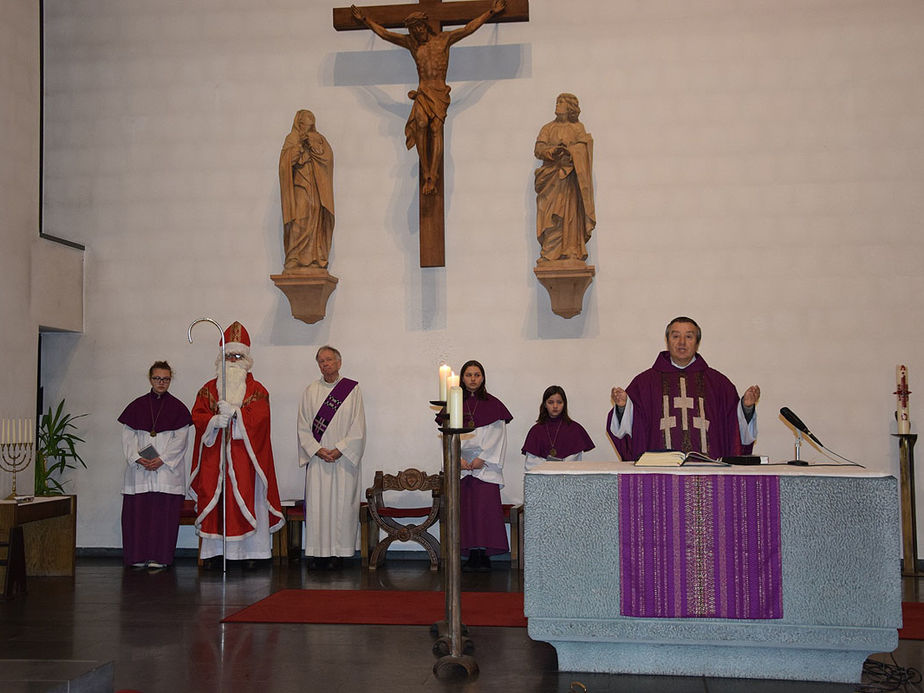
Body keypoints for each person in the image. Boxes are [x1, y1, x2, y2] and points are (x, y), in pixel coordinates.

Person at [350, 0, 506, 195]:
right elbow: (386, 34)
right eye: (413, 29)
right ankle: (426, 173)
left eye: (418, 27)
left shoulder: (444, 39)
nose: (416, 32)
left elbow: (469, 29)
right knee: (421, 124)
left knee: (435, 128)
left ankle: (433, 172)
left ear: (425, 25)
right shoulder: (412, 44)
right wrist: (365, 20)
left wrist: (491, 12)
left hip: (439, 92)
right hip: (423, 91)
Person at [189, 321, 284, 569]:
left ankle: (251, 554)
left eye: (238, 355)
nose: (232, 360)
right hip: (215, 459)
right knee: (216, 498)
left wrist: (237, 415)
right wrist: (213, 421)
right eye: (228, 355)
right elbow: (197, 417)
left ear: (246, 359)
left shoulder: (257, 390)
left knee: (249, 499)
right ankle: (215, 554)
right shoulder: (208, 390)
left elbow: (261, 419)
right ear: (221, 358)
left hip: (246, 459)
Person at [607, 317, 761, 461]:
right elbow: (630, 429)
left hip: (707, 468)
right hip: (660, 470)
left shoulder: (718, 384)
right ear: (667, 341)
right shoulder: (645, 383)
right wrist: (622, 408)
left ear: (697, 342)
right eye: (675, 336)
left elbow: (733, 428)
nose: (682, 342)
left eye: (689, 337)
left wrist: (746, 408)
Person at [297, 346, 366, 570]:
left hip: (343, 460)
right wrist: (317, 449)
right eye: (321, 361)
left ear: (339, 362)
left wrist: (340, 449)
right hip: (318, 460)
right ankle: (318, 554)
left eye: (329, 360)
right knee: (319, 507)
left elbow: (358, 427)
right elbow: (303, 426)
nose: (325, 364)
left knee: (342, 506)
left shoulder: (352, 390)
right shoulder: (310, 391)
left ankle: (339, 553)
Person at [118, 361, 192, 570]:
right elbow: (128, 436)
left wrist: (162, 459)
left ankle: (161, 557)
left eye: (166, 379)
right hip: (140, 471)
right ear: (150, 379)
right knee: (138, 516)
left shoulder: (178, 408)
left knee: (163, 517)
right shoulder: (137, 406)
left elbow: (181, 440)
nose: (161, 383)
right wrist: (137, 457)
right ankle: (137, 556)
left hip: (167, 473)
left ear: (170, 380)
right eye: (157, 378)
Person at [457, 360, 512, 572]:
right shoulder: (454, 405)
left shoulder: (494, 405)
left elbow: (498, 436)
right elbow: (448, 437)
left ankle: (484, 554)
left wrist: (483, 459)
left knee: (484, 513)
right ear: (462, 378)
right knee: (467, 513)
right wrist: (457, 460)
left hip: (485, 468)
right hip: (462, 467)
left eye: (477, 375)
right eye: (468, 374)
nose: (472, 379)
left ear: (483, 377)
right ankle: (471, 554)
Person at [534, 93, 596, 264]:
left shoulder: (577, 129)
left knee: (569, 214)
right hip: (551, 179)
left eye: (561, 102)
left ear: (570, 108)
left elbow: (584, 148)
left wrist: (572, 152)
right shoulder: (548, 128)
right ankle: (549, 252)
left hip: (570, 179)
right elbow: (539, 149)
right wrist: (553, 152)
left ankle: (571, 250)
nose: (557, 105)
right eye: (557, 102)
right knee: (550, 216)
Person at [279, 109, 335, 271]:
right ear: (298, 123)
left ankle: (315, 258)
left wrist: (313, 144)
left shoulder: (319, 139)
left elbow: (327, 158)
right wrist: (298, 147)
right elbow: (285, 164)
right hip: (299, 186)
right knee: (300, 218)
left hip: (315, 188)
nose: (307, 129)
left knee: (315, 214)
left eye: (311, 127)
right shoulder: (291, 139)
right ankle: (294, 256)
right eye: (305, 126)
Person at [522, 385, 594, 470]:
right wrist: (551, 467)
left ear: (564, 404)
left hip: (568, 479)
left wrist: (558, 467)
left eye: (559, 402)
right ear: (545, 404)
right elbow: (531, 463)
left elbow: (575, 462)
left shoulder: (574, 429)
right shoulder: (536, 431)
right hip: (542, 479)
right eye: (551, 402)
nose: (555, 406)